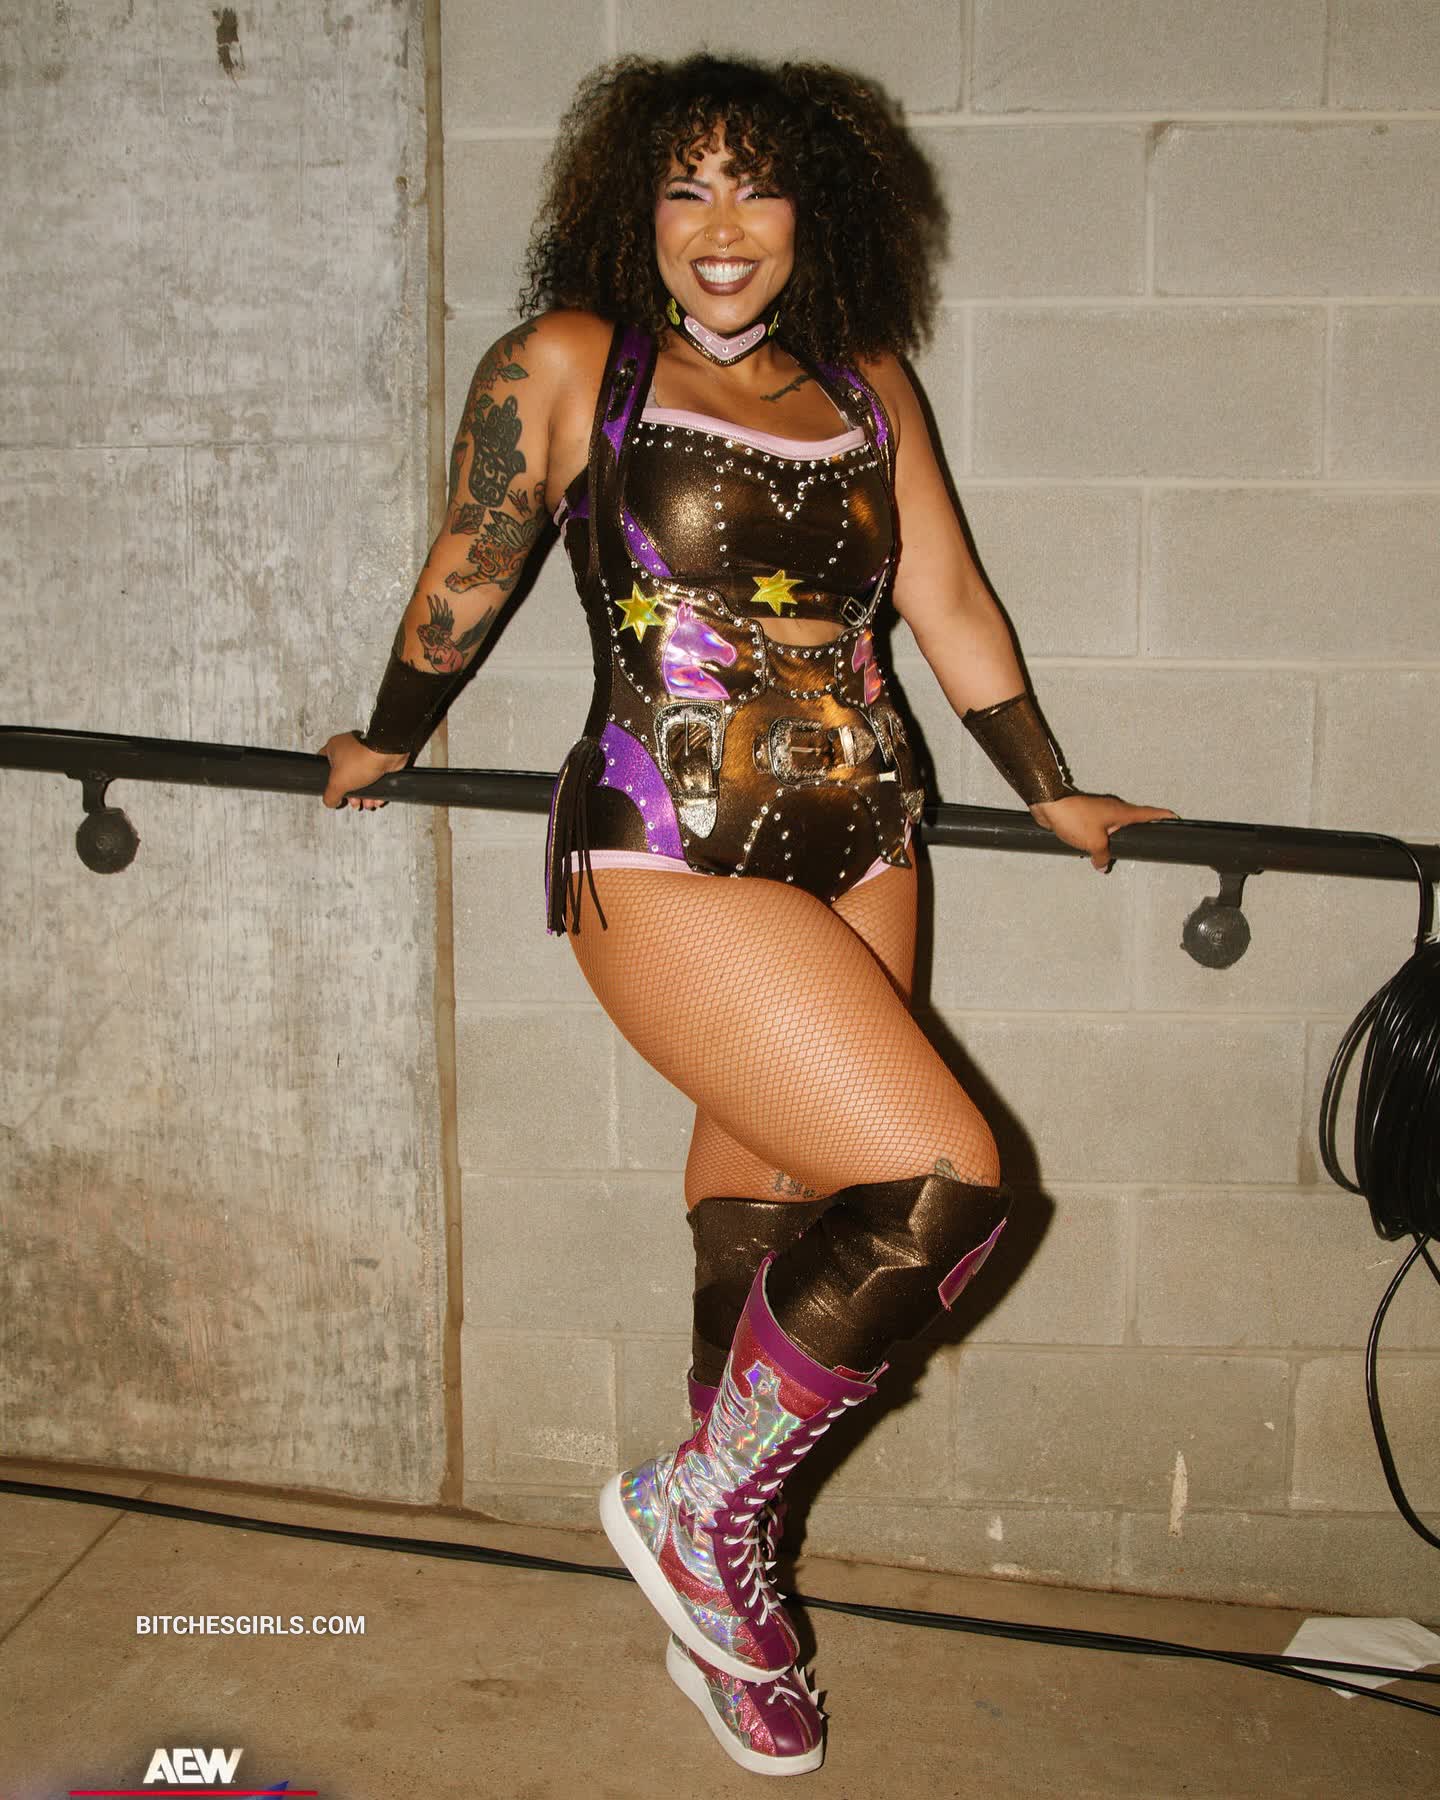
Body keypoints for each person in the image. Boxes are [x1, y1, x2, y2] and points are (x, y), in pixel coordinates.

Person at [320, 53, 1176, 1778]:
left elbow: (946, 594)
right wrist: (389, 735)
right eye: (686, 187)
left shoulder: (866, 380)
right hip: (664, 837)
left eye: (756, 186)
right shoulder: (571, 361)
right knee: (941, 1178)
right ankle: (703, 1513)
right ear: (633, 209)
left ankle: (717, 1601)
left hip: (870, 832)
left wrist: (1045, 786)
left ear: (813, 212)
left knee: (779, 1208)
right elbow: (471, 566)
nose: (722, 224)